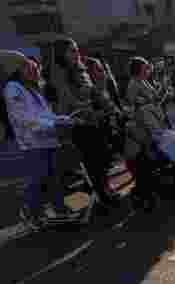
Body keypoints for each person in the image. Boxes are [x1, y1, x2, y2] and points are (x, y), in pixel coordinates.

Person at [0, 50, 75, 226]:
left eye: (34, 67)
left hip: (48, 140)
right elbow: (25, 120)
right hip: (33, 143)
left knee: (54, 178)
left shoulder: (34, 90)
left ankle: (59, 208)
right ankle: (31, 213)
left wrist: (64, 119)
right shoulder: (13, 89)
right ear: (17, 70)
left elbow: (46, 115)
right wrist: (54, 125)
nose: (34, 71)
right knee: (38, 180)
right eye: (27, 67)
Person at [49, 38, 120, 207]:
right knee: (92, 161)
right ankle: (101, 195)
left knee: (102, 157)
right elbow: (69, 101)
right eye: (72, 51)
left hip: (94, 120)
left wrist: (111, 106)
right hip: (77, 122)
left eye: (76, 50)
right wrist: (91, 111)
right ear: (62, 54)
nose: (77, 54)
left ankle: (104, 189)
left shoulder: (81, 70)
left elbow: (95, 92)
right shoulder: (59, 74)